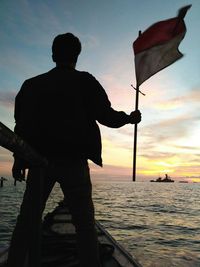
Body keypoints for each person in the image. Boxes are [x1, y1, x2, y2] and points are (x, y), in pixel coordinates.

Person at [7, 33, 141, 267]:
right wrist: (129, 118)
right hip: (74, 164)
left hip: (39, 164)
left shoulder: (31, 85)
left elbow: (21, 127)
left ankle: (14, 262)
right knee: (84, 224)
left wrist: (19, 160)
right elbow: (106, 116)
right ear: (77, 56)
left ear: (53, 55)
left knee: (27, 219)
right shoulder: (86, 81)